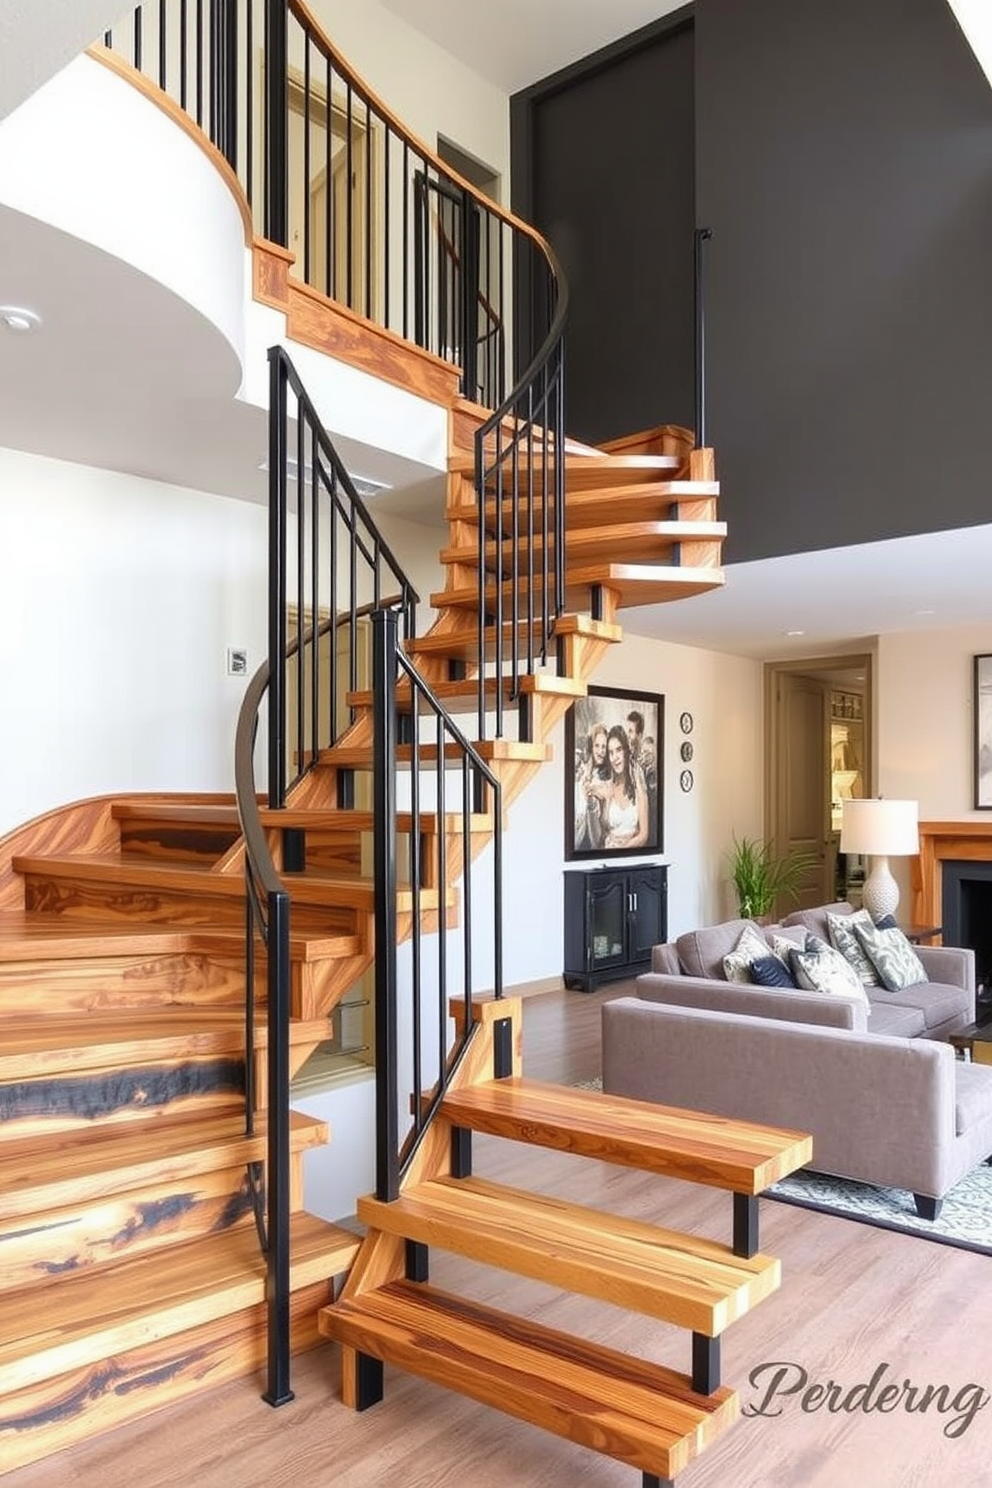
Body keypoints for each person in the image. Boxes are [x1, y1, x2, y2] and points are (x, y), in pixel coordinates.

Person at [586, 724, 649, 849]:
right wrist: (607, 800)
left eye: (619, 750)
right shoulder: (607, 786)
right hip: (607, 855)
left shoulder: (639, 789)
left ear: (626, 751)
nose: (615, 758)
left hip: (629, 857)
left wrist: (623, 848)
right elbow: (602, 832)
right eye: (610, 753)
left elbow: (644, 835)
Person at [574, 723, 610, 849]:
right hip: (579, 840)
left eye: (604, 747)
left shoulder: (608, 777)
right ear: (591, 747)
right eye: (597, 746)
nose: (600, 751)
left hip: (596, 840)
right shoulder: (583, 773)